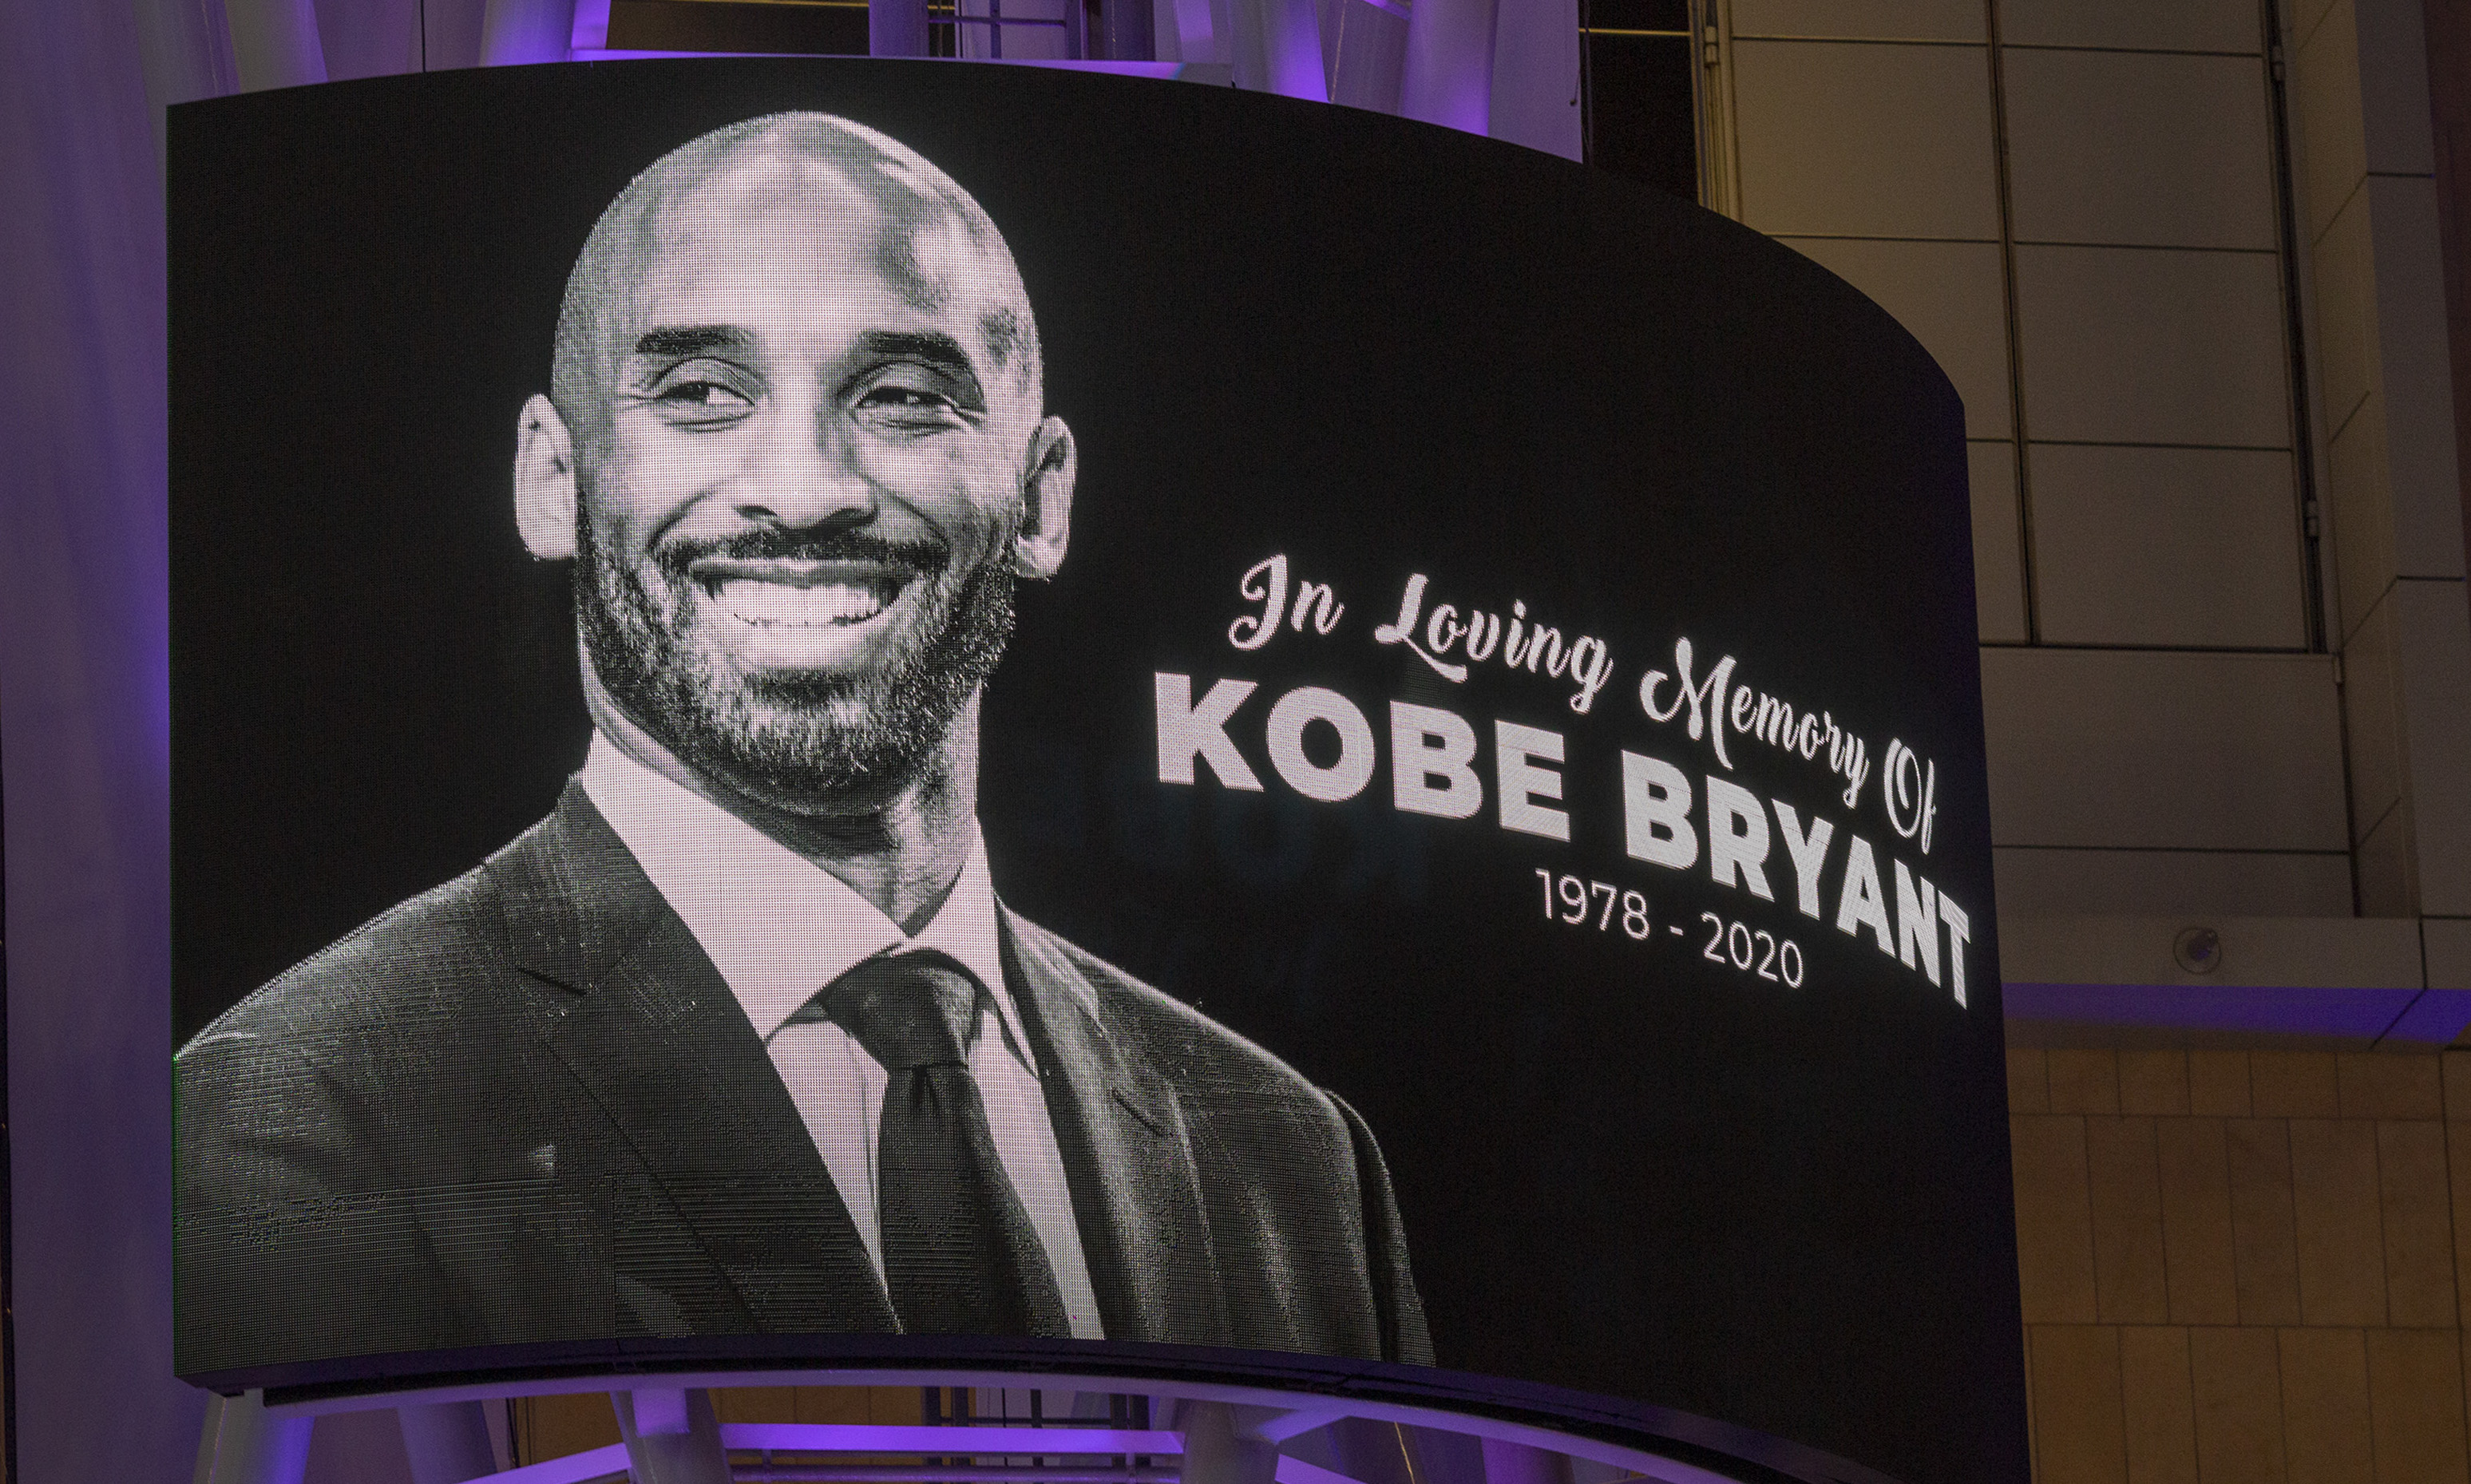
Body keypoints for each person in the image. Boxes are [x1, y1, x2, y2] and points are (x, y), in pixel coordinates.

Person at [175, 113, 1429, 1378]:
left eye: (903, 399)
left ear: (1044, 498)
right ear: (552, 480)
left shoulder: (1293, 1157)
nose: (805, 486)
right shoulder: (297, 1112)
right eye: (703, 395)